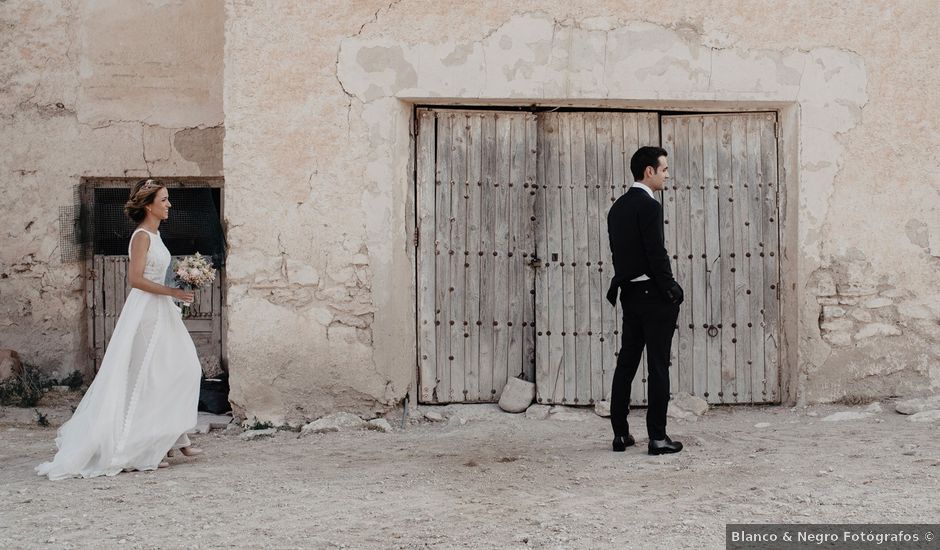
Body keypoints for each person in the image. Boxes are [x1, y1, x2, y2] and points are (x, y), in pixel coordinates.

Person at [37, 179, 203, 480]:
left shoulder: (156, 234)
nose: (169, 205)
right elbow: (136, 280)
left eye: (168, 199)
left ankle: (172, 438)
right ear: (148, 204)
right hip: (146, 312)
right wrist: (173, 293)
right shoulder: (141, 236)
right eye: (163, 200)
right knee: (147, 375)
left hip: (161, 310)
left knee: (182, 369)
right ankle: (141, 445)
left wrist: (182, 282)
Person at [606, 146, 684, 455]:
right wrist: (672, 290)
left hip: (630, 294)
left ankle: (621, 434)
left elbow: (621, 255)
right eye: (664, 169)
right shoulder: (650, 207)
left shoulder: (618, 207)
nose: (667, 174)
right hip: (654, 295)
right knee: (658, 366)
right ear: (648, 171)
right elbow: (656, 254)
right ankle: (657, 437)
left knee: (626, 363)